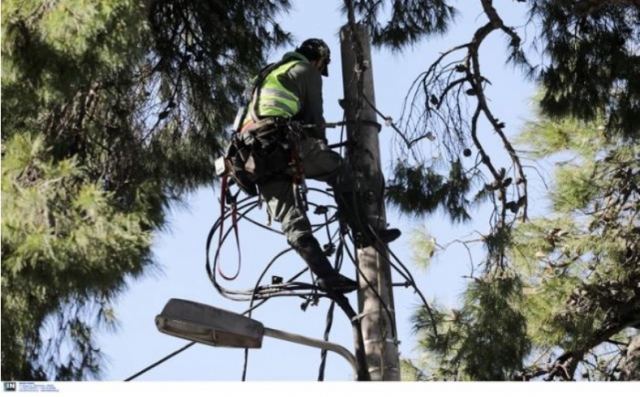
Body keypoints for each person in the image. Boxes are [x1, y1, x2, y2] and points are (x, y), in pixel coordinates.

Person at [235, 38, 400, 293]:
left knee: (292, 221)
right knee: (340, 171)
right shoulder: (306, 71)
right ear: (318, 59)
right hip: (281, 144)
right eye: (322, 65)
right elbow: (314, 118)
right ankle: (363, 233)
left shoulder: (270, 72)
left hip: (252, 158)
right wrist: (321, 146)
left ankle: (327, 277)